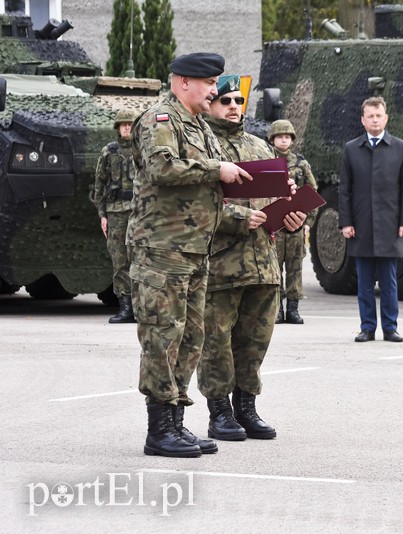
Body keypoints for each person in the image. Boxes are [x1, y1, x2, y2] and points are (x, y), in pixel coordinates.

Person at [127, 52, 254, 458]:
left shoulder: (199, 124)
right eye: (210, 83)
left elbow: (212, 175)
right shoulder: (159, 119)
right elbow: (162, 168)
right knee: (162, 335)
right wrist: (216, 171)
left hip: (196, 247)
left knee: (189, 337)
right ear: (183, 82)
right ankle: (158, 429)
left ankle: (177, 423)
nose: (216, 91)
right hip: (162, 247)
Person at [198, 75, 305, 441]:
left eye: (238, 101)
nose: (232, 107)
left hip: (263, 264)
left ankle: (247, 407)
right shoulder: (201, 146)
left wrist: (292, 216)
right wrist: (239, 218)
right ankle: (219, 412)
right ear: (211, 104)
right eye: (224, 100)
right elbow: (195, 206)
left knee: (255, 341)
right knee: (216, 343)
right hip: (221, 265)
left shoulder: (261, 148)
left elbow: (278, 200)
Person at [339, 96, 403, 343]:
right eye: (370, 116)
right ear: (362, 120)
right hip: (361, 226)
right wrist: (346, 222)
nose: (374, 119)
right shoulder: (351, 149)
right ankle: (367, 327)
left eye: (378, 115)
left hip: (390, 225)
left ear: (386, 118)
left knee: (390, 283)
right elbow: (345, 190)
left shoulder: (400, 148)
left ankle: (390, 328)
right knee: (364, 283)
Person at [91, 109, 138, 324]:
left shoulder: (144, 150)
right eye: (123, 124)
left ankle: (141, 307)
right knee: (120, 260)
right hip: (116, 212)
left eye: (130, 124)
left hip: (139, 211)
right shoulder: (108, 152)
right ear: (118, 128)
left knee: (140, 260)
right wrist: (102, 214)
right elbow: (99, 185)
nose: (127, 127)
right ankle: (125, 307)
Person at [268, 119, 318, 325]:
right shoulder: (266, 160)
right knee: (275, 267)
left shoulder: (301, 163)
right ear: (272, 139)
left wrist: (309, 221)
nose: (284, 140)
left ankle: (293, 309)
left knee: (295, 267)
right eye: (280, 137)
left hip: (296, 225)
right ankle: (277, 309)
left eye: (287, 137)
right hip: (275, 226)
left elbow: (311, 192)